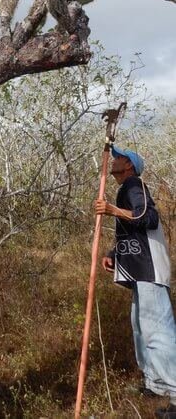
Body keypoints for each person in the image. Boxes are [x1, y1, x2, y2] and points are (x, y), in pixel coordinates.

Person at [95, 144, 176, 419]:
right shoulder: (127, 189)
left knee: (158, 331)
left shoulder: (134, 184)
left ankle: (175, 392)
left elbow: (148, 218)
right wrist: (113, 253)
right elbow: (133, 229)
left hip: (150, 269)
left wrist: (111, 210)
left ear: (129, 165)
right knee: (141, 329)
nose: (114, 160)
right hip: (139, 270)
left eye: (119, 158)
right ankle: (155, 384)